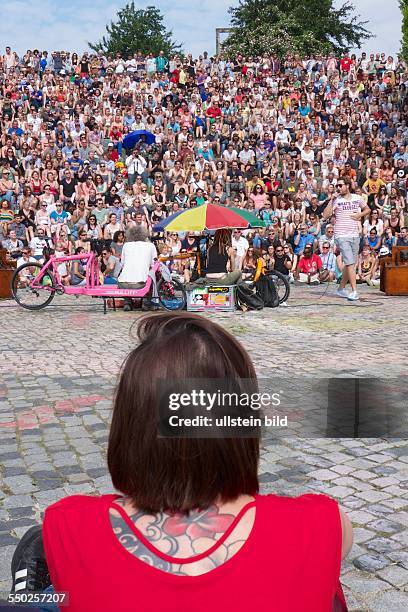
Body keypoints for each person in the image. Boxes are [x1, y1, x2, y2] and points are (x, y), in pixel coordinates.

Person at [11, 313, 352, 611]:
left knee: (53, 596)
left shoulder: (67, 526)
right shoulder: (323, 524)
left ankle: (30, 595)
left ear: (130, 423)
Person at [322, 177, 370, 301]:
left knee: (351, 264)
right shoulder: (336, 200)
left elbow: (368, 209)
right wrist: (331, 200)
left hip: (354, 234)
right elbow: (325, 215)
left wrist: (359, 215)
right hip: (341, 235)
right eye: (337, 186)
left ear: (347, 186)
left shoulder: (357, 198)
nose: (338, 188)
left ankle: (341, 288)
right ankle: (354, 291)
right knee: (349, 262)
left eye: (340, 185)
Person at [117, 225, 158, 311]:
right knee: (152, 275)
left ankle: (127, 302)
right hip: (142, 284)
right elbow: (154, 264)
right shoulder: (150, 246)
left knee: (125, 276)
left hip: (123, 284)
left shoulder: (126, 245)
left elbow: (122, 263)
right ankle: (145, 302)